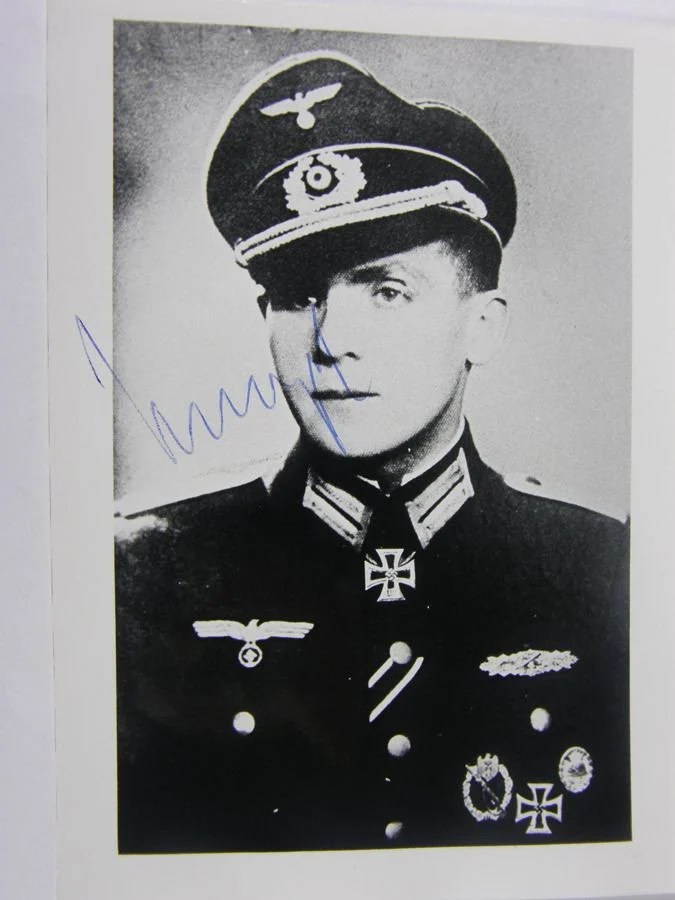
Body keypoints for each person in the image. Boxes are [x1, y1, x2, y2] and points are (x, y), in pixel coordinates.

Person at [115, 51, 630, 853]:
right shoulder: (141, 570)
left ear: (482, 325)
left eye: (387, 291)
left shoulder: (610, 569)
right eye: (298, 298)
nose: (331, 341)